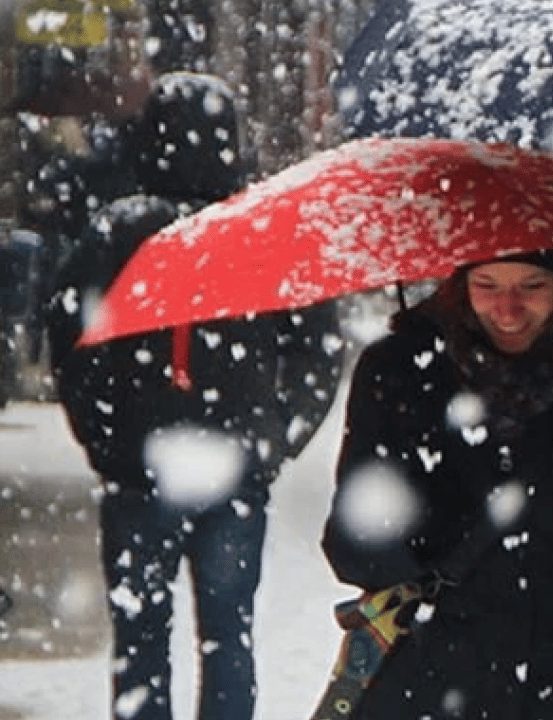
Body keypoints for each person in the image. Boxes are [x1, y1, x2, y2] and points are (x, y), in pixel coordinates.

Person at [46, 72, 344, 720]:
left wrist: (107, 439)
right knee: (228, 635)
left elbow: (70, 341)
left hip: (139, 473)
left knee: (139, 637)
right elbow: (319, 349)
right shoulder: (265, 233)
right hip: (232, 471)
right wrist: (273, 438)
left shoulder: (119, 231)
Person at [320, 243, 553, 720]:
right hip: (432, 678)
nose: (508, 310)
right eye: (486, 285)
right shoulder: (400, 371)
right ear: (459, 285)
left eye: (532, 286)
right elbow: (353, 550)